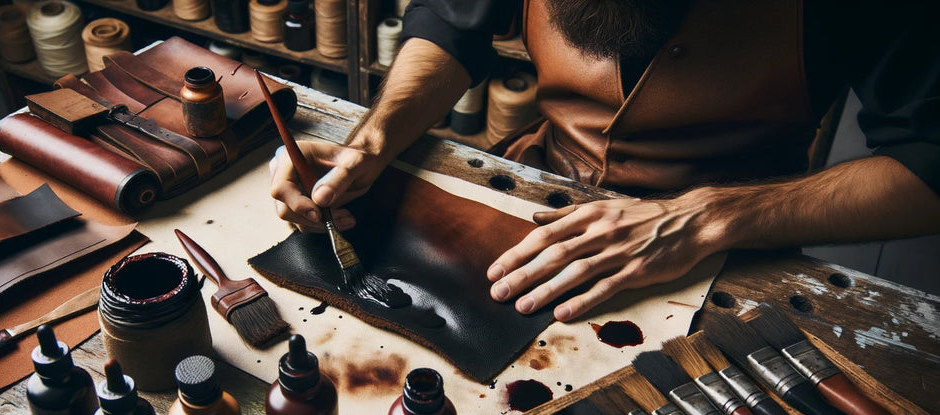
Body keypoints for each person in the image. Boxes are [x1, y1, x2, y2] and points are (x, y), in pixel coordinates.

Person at [268, 0, 940, 322]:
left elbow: (930, 159)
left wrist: (710, 215)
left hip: (734, 246)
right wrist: (374, 141)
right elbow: (454, 25)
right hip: (542, 190)